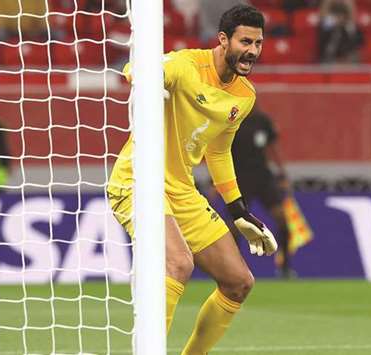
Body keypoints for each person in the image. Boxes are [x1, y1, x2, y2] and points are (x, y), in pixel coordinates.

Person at [106, 5, 277, 355]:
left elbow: (217, 151)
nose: (253, 51)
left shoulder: (244, 95)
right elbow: (134, 69)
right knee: (177, 263)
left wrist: (238, 210)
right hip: (136, 179)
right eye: (246, 41)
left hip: (181, 190)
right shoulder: (186, 66)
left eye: (258, 43)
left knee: (239, 282)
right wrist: (148, 83)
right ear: (223, 40)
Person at [230, 104, 295, 278]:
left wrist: (282, 174)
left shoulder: (263, 121)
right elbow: (221, 152)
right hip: (240, 178)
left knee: (282, 218)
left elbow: (273, 149)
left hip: (263, 177)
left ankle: (285, 266)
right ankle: (234, 268)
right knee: (237, 226)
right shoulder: (233, 120)